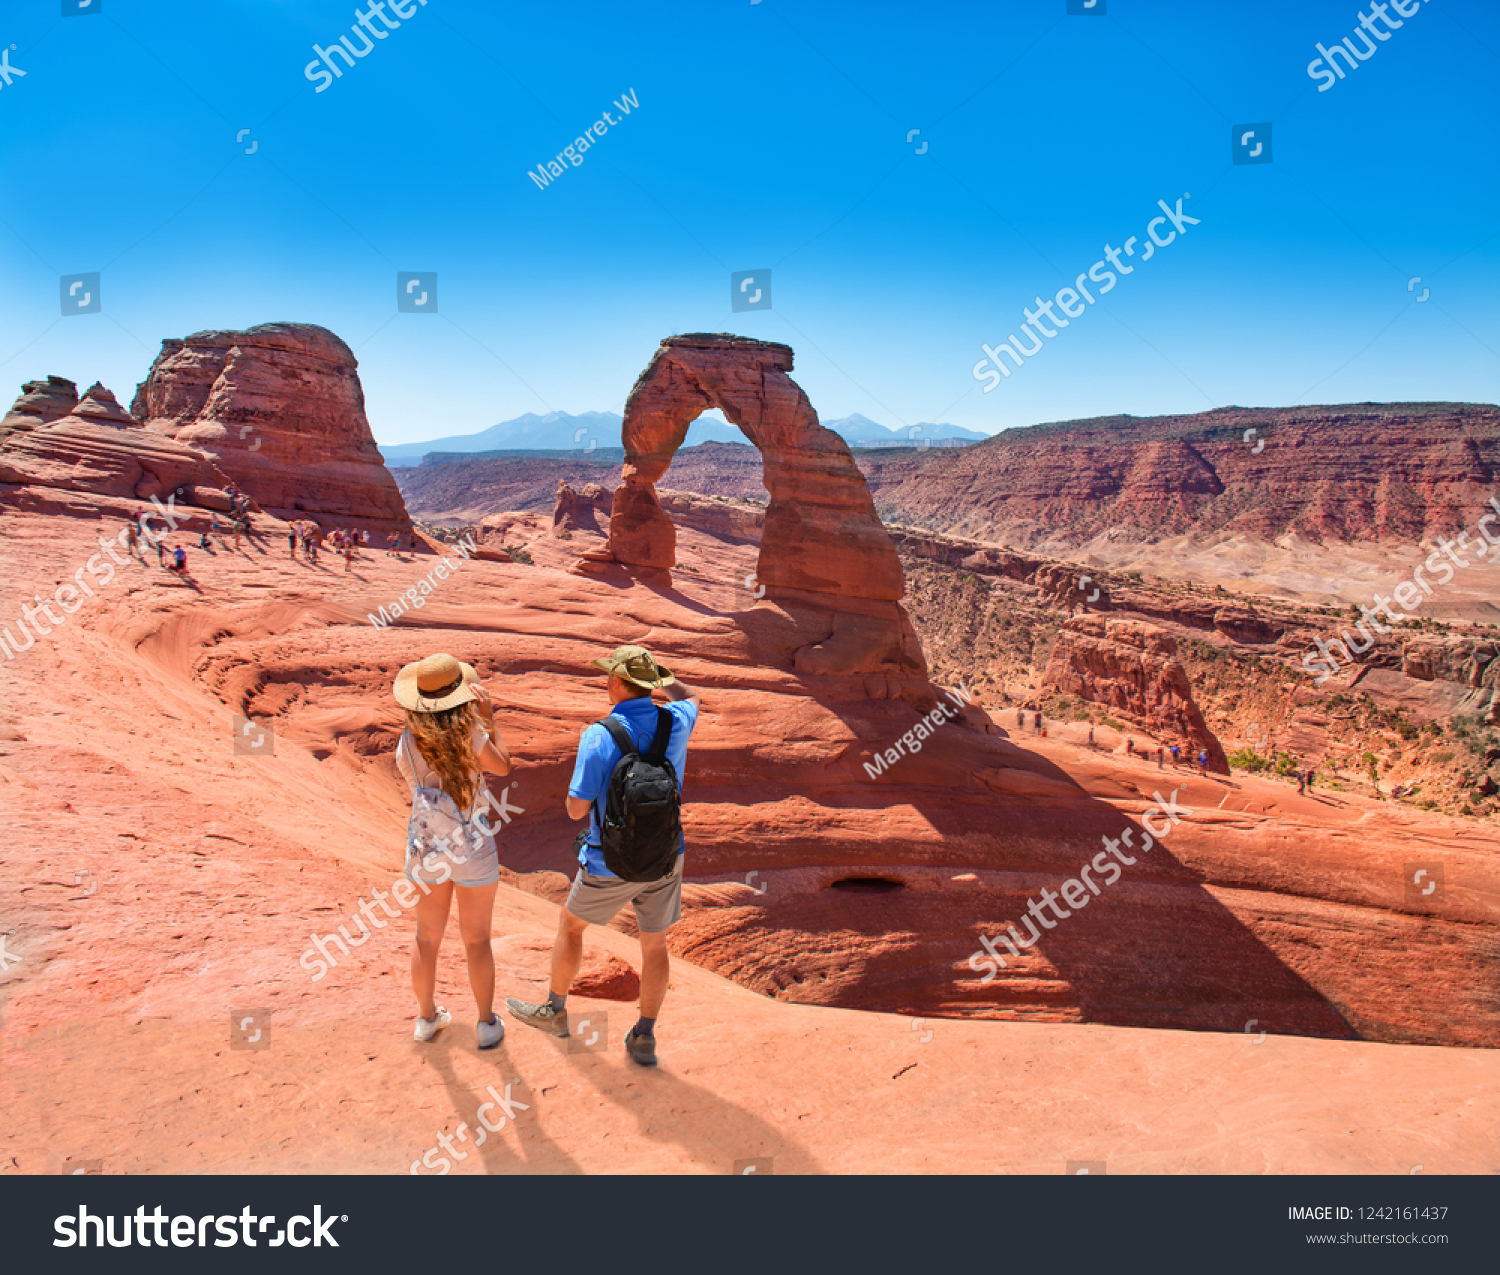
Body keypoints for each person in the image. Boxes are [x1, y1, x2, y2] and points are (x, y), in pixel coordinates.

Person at [507, 645, 701, 1068]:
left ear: (615, 682)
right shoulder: (677, 720)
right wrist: (664, 680)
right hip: (667, 853)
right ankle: (644, 1036)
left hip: (609, 860)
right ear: (651, 685)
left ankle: (554, 1009)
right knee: (654, 944)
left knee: (571, 926)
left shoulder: (600, 733)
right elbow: (691, 697)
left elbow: (577, 808)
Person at [394, 653, 513, 1049]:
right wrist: (489, 718)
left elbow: (412, 779)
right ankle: (485, 1024)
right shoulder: (472, 735)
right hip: (473, 848)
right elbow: (503, 767)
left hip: (427, 850)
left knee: (426, 939)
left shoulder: (408, 742)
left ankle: (426, 1020)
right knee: (477, 940)